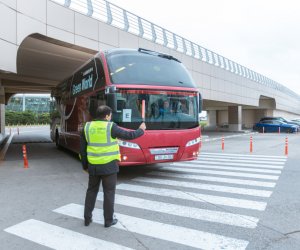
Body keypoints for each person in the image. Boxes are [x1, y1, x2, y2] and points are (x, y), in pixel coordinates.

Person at [80, 105, 146, 228]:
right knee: (109, 193)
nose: (110, 117)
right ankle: (108, 221)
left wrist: (85, 166)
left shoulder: (87, 127)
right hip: (109, 167)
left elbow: (82, 150)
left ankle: (87, 218)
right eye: (110, 115)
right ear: (106, 116)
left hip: (93, 166)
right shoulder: (111, 126)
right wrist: (141, 130)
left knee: (91, 191)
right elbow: (129, 136)